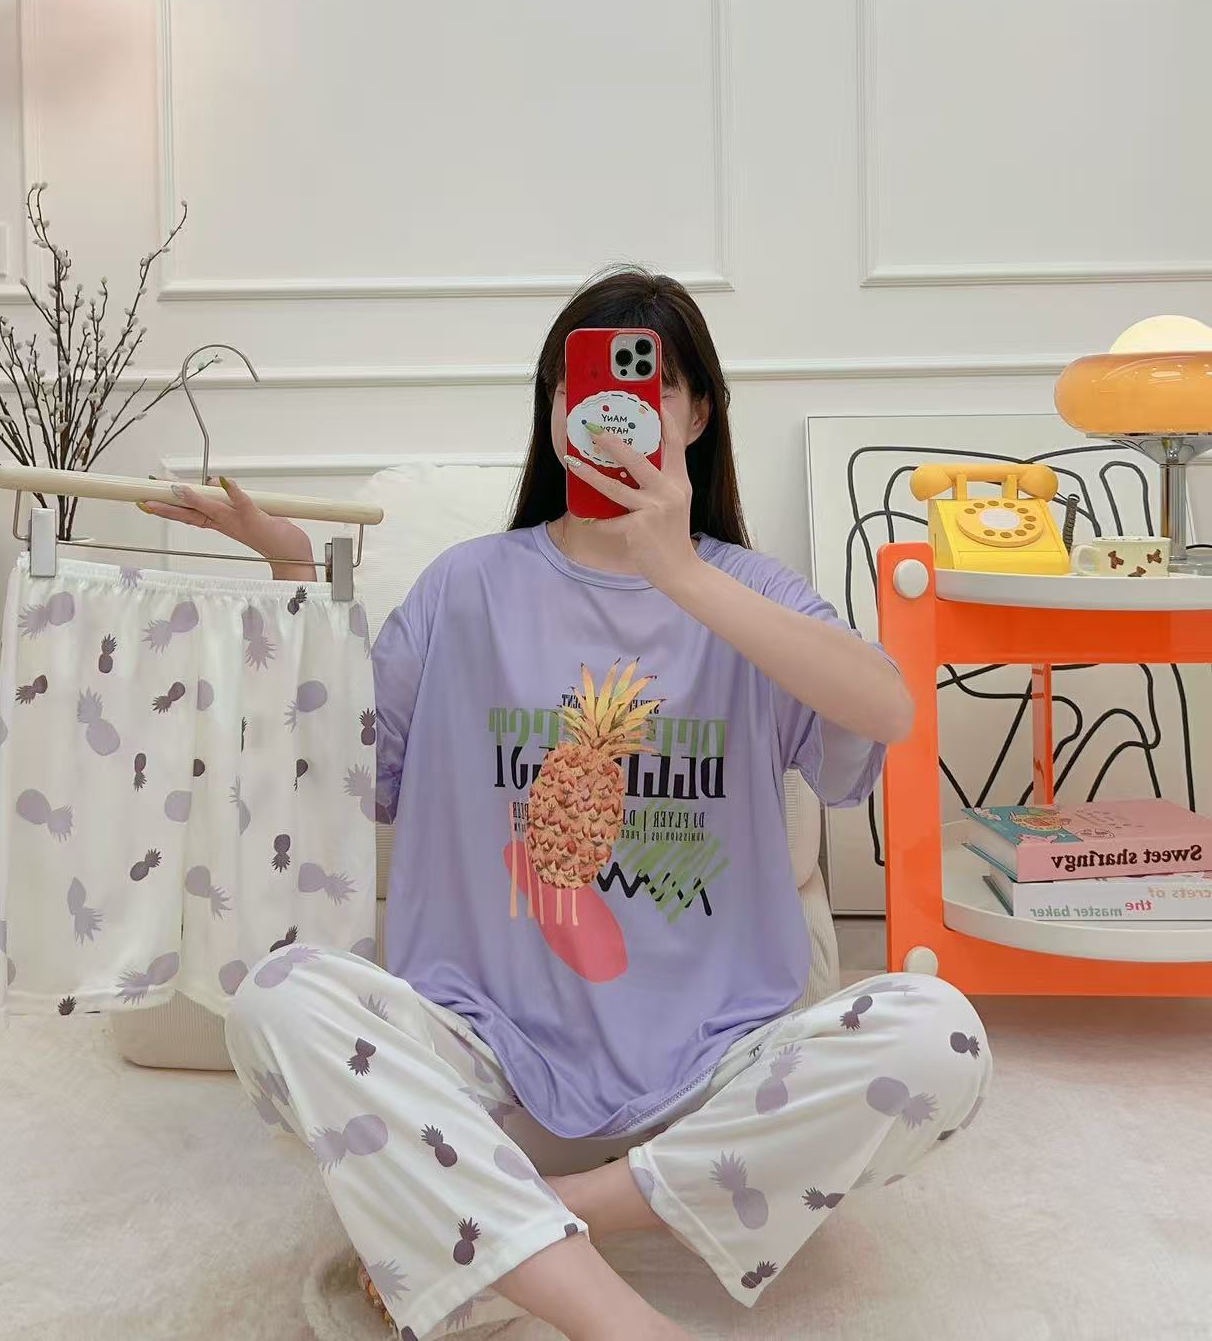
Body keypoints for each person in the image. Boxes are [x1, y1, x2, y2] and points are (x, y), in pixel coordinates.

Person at [141, 268, 992, 1341]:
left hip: (715, 1076)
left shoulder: (749, 591)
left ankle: (522, 1222)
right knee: (277, 1000)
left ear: (695, 412)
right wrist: (296, 574)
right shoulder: (466, 585)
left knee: (939, 1037)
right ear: (551, 405)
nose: (609, 406)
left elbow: (886, 708)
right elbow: (344, 766)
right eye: (576, 381)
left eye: (648, 382)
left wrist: (678, 572)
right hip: (481, 1070)